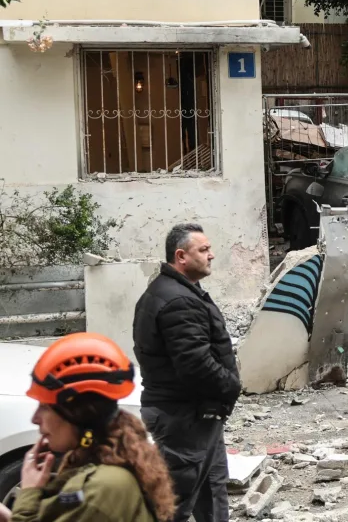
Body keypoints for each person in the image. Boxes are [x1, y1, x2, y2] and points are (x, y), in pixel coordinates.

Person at [1, 332, 175, 522]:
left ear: (76, 412)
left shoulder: (103, 488)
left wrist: (29, 491)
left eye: (44, 407)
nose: (35, 419)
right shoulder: (100, 467)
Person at [133, 223, 241, 522]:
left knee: (213, 490)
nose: (212, 255)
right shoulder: (178, 300)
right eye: (203, 250)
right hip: (183, 419)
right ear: (181, 256)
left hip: (201, 415)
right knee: (175, 505)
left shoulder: (176, 291)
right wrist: (232, 386)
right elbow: (195, 365)